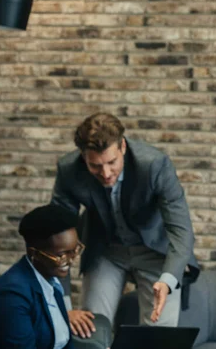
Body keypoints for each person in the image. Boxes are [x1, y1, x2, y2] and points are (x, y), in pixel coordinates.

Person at [50, 113, 199, 338]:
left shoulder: (155, 165)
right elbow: (56, 235)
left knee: (157, 338)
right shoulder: (69, 170)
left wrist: (168, 280)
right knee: (89, 331)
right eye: (95, 166)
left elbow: (181, 229)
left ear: (123, 146)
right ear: (83, 156)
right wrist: (64, 305)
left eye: (112, 162)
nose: (106, 173)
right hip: (107, 251)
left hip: (155, 252)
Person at [0, 204, 81, 349]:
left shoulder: (51, 283)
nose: (71, 260)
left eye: (74, 251)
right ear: (34, 254)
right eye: (61, 255)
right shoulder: (11, 295)